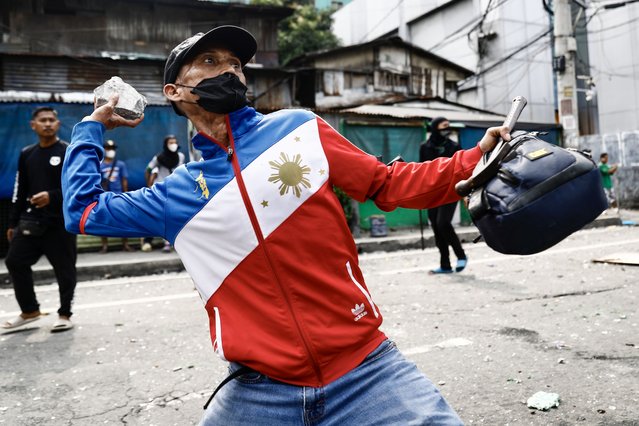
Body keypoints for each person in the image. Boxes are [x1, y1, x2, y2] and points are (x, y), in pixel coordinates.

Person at [61, 26, 510, 424]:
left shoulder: (300, 129)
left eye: (236, 63)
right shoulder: (175, 194)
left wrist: (476, 159)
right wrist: (91, 126)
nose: (231, 70)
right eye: (210, 62)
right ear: (175, 91)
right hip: (258, 392)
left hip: (366, 370)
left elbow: (388, 184)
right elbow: (81, 211)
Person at [2, 106, 77, 332]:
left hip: (61, 223)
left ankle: (64, 314)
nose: (47, 123)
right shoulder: (27, 153)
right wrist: (13, 222)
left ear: (58, 124)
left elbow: (77, 187)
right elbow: (19, 189)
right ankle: (29, 311)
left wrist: (52, 196)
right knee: (14, 261)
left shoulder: (67, 151)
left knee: (64, 269)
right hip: (31, 222)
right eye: (42, 120)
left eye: (51, 120)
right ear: (33, 125)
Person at [420, 117, 468, 274]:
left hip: (450, 190)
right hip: (432, 192)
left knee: (443, 223)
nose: (447, 129)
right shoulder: (425, 147)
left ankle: (461, 256)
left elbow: (461, 168)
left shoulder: (454, 146)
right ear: (435, 128)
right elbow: (421, 170)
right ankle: (445, 264)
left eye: (448, 126)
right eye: (443, 126)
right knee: (435, 226)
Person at [141, 134, 185, 252]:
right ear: (166, 144)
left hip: (175, 190)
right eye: (170, 142)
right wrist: (148, 185)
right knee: (157, 215)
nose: (173, 145)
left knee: (173, 216)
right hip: (161, 190)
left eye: (175, 142)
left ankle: (169, 242)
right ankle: (147, 240)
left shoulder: (180, 157)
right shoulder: (159, 158)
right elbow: (148, 170)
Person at [99, 139, 134, 253]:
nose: (111, 151)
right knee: (103, 221)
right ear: (104, 150)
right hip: (104, 197)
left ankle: (125, 244)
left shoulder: (120, 164)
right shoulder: (99, 165)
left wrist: (125, 195)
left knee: (123, 220)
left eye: (112, 149)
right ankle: (105, 245)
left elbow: (124, 180)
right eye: (108, 149)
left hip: (118, 196)